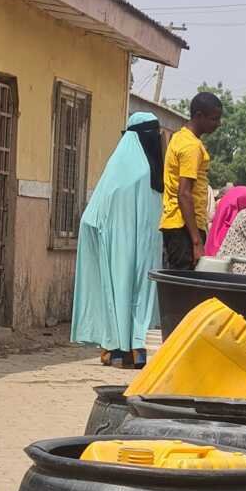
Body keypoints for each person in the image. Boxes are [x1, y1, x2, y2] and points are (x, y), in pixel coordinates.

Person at [71, 112, 163, 368]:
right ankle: (137, 348)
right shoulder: (153, 171)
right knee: (139, 293)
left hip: (115, 244)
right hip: (146, 247)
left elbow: (93, 216)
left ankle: (116, 349)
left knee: (115, 290)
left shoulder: (121, 168)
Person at [159, 91, 223, 270]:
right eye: (214, 119)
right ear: (199, 116)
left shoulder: (179, 137)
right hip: (184, 228)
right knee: (186, 290)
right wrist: (196, 241)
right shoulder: (191, 147)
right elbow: (184, 193)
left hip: (179, 225)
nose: (218, 124)